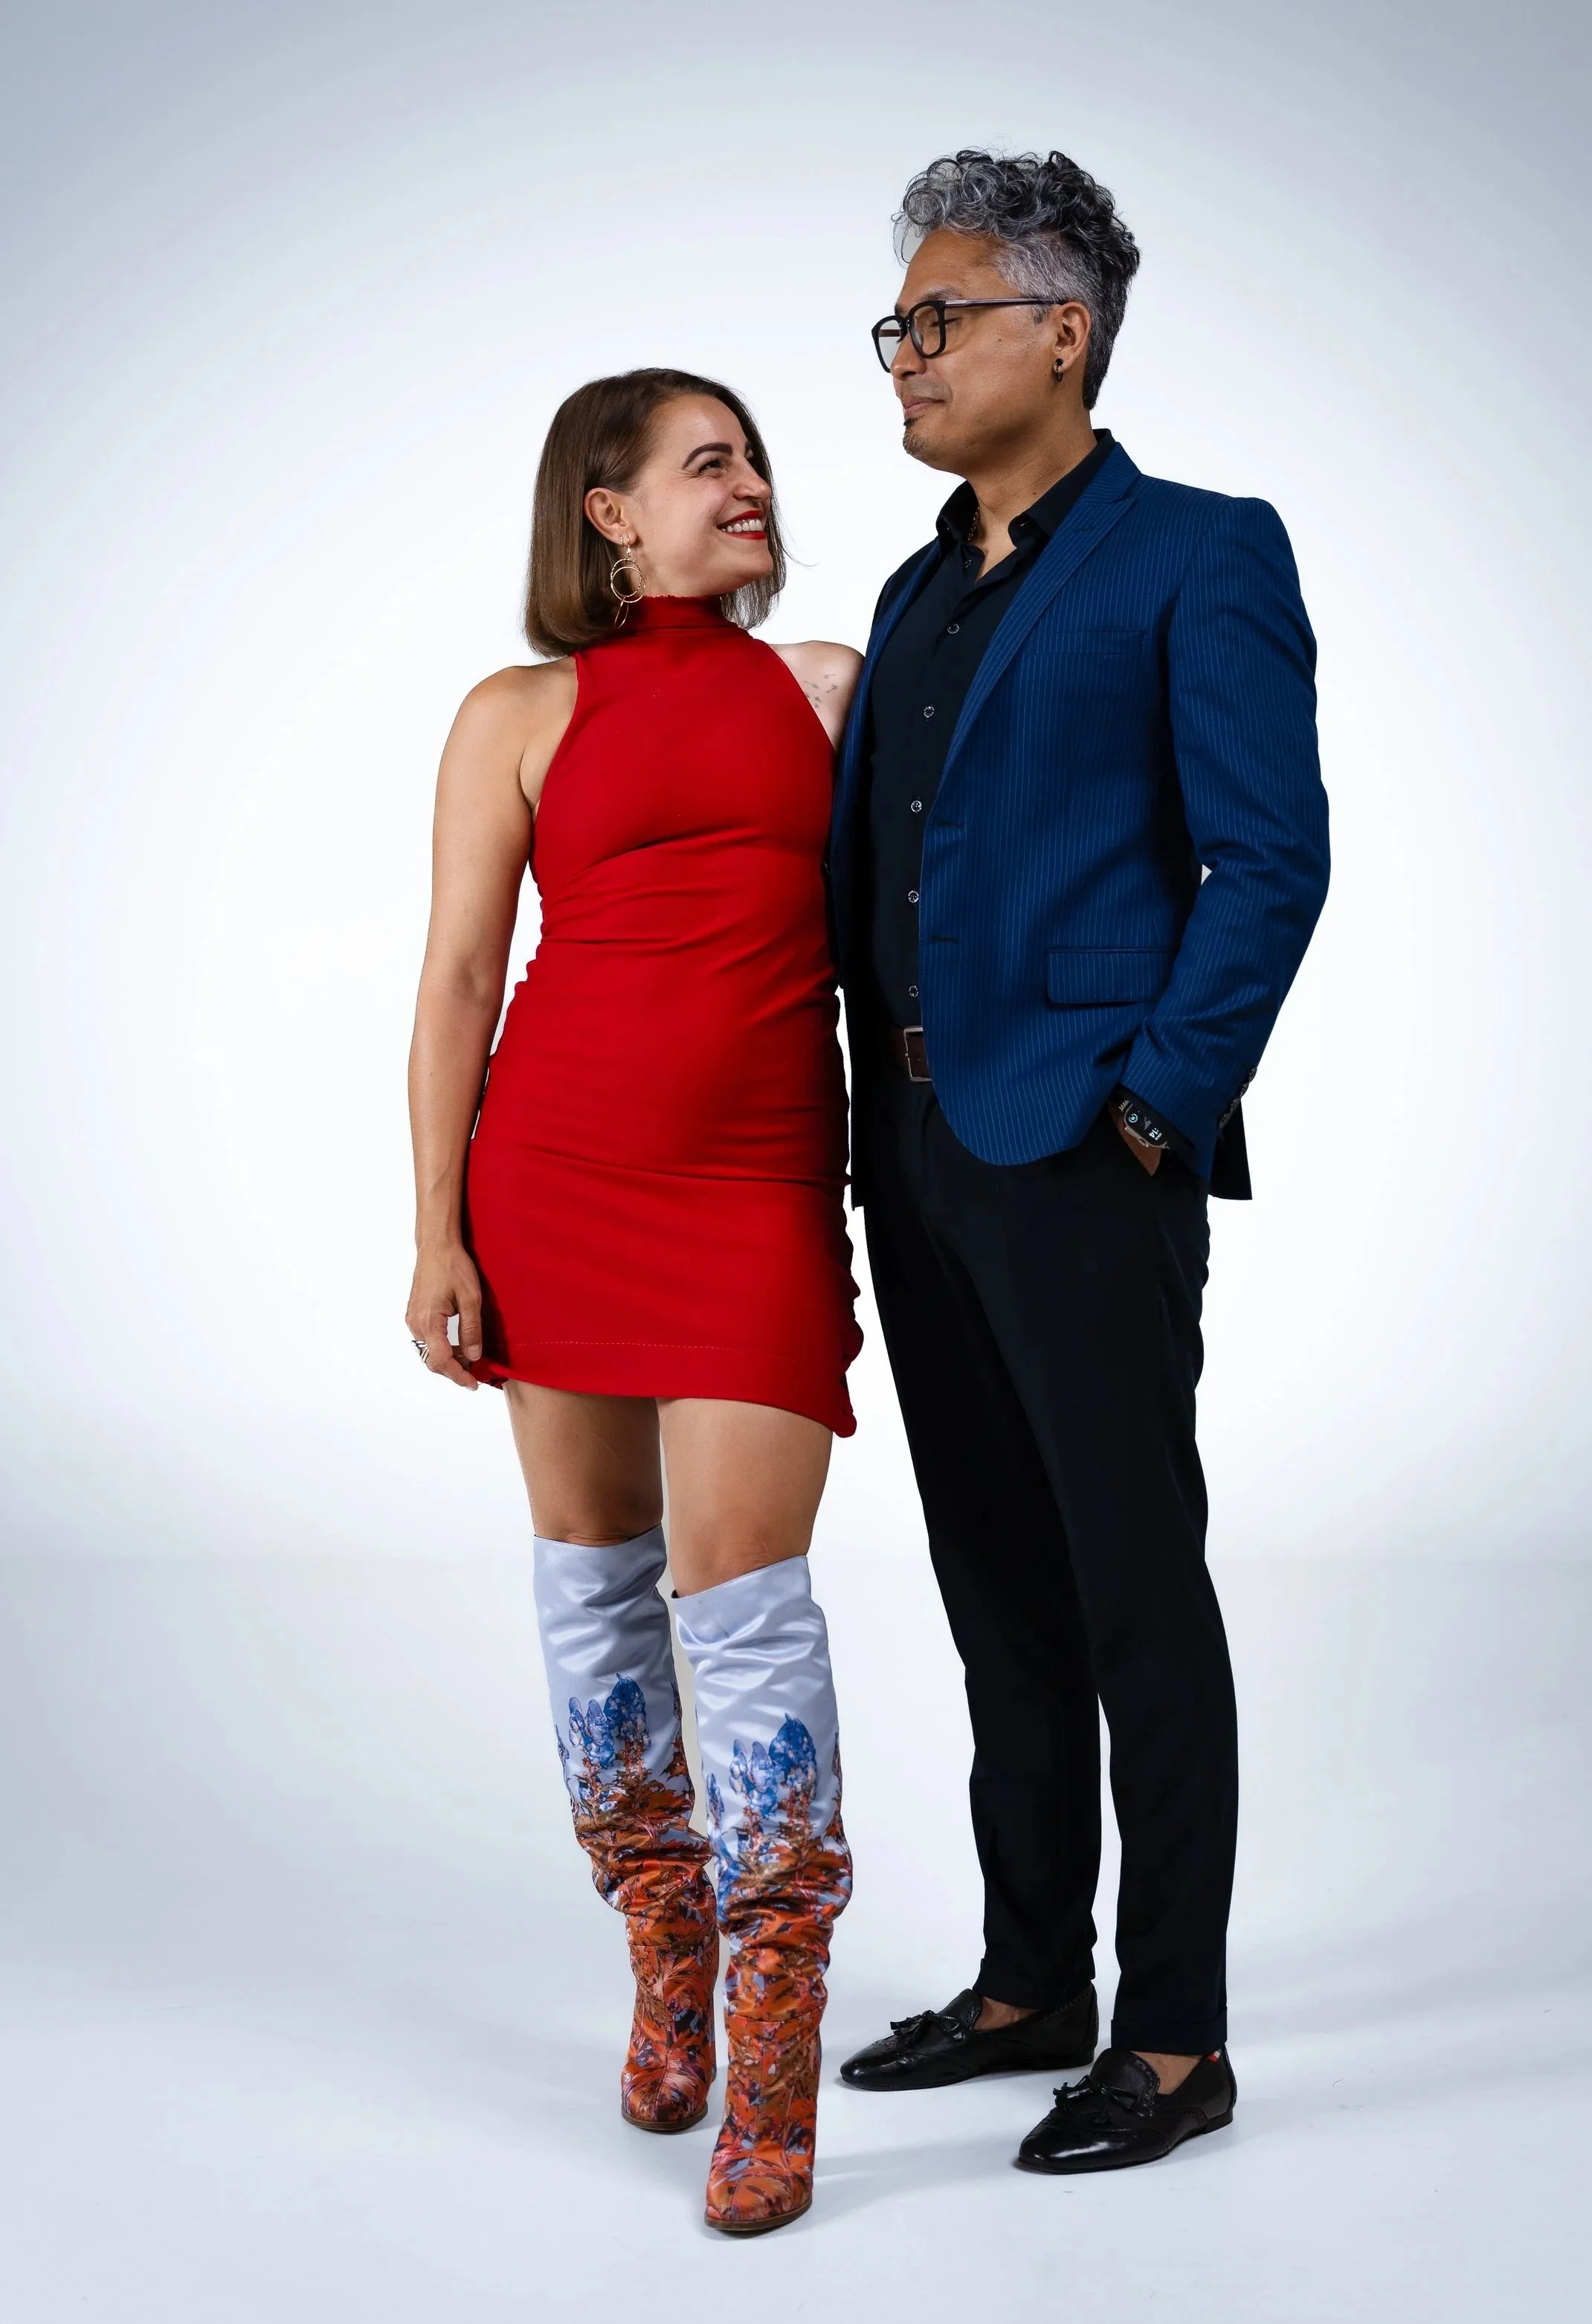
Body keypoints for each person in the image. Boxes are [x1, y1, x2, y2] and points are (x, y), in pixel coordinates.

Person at [833, 152, 1330, 2174]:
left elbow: (1269, 859)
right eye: (896, 322)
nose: (905, 352)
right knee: (994, 1583)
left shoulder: (1199, 551)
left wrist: (1154, 1110)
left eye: (941, 317)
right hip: (912, 1152)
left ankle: (1177, 2036)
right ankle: (1029, 1975)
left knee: (1132, 1587)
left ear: (1065, 330)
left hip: (1082, 1151)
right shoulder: (911, 590)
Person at [405, 370, 864, 2236]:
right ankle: (667, 1949)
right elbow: (458, 978)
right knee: (596, 1590)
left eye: (753, 458)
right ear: (606, 510)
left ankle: (776, 2040)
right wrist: (435, 1230)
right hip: (557, 1182)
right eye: (706, 461)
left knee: (744, 1606)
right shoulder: (515, 712)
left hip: (755, 1191)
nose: (749, 484)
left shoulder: (824, 686)